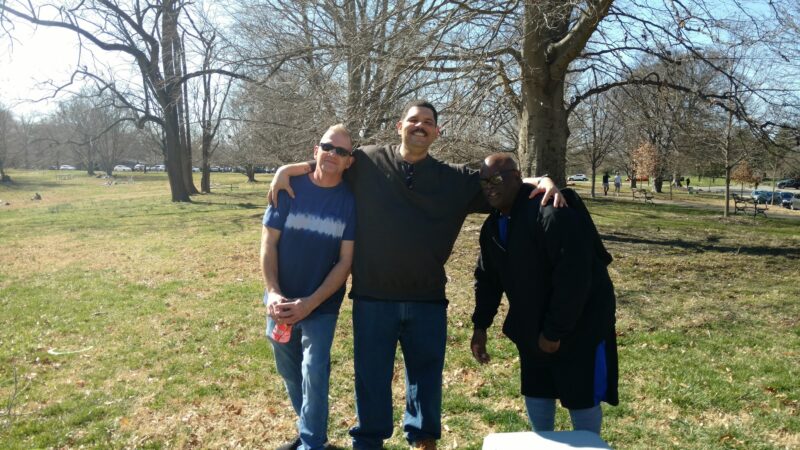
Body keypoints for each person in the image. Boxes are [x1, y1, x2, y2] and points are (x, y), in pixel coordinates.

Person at [269, 100, 563, 450]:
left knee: (425, 379)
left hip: (427, 299)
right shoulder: (367, 161)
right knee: (371, 379)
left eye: (427, 122)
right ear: (399, 126)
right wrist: (286, 169)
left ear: (437, 132)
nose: (419, 126)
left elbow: (502, 184)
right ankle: (369, 442)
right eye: (413, 120)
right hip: (373, 297)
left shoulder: (455, 179)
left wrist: (543, 180)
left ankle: (423, 440)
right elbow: (331, 159)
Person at [470, 153, 619, 435]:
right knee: (537, 388)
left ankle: (588, 442)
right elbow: (487, 279)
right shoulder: (493, 225)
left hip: (579, 326)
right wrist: (481, 326)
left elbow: (574, 279)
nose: (489, 186)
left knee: (580, 394)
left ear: (517, 177)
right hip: (532, 325)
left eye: (497, 179)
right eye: (484, 181)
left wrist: (554, 332)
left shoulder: (551, 211)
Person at [261, 124, 357, 450]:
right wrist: (273, 292)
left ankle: (312, 444)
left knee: (314, 370)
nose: (333, 154)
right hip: (281, 300)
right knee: (290, 372)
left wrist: (310, 303)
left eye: (342, 152)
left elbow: (345, 262)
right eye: (328, 147)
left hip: (321, 303)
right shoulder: (288, 188)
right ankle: (308, 431)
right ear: (315, 150)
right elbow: (268, 244)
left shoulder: (350, 202)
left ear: (349, 162)